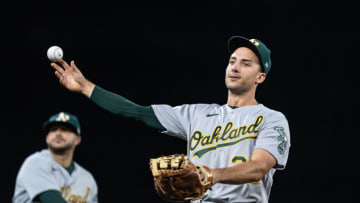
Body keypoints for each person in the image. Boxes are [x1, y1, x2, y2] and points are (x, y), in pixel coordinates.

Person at [50, 35, 290, 203]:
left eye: (245, 64)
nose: (234, 68)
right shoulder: (197, 114)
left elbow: (258, 167)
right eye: (232, 61)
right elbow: (137, 112)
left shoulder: (271, 118)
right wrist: (86, 87)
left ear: (260, 77)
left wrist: (209, 174)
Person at [13, 112, 98, 203]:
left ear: (77, 139)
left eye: (65, 129)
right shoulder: (35, 163)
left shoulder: (87, 179)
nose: (58, 133)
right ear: (47, 138)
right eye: (53, 129)